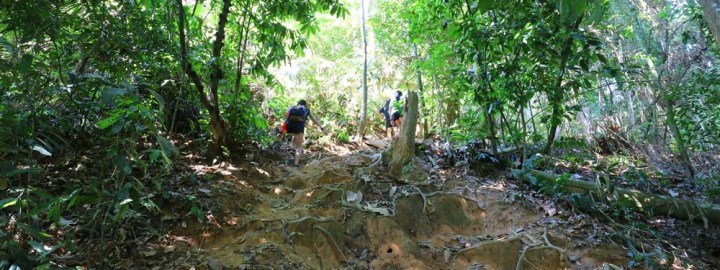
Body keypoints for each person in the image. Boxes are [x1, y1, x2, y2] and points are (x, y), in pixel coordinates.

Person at [285, 99, 327, 167]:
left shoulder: (292, 107)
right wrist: (322, 128)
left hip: (289, 126)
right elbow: (314, 120)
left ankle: (293, 148)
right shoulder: (307, 109)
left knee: (294, 135)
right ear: (305, 104)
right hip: (299, 126)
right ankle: (296, 164)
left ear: (298, 103)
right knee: (299, 147)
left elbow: (286, 114)